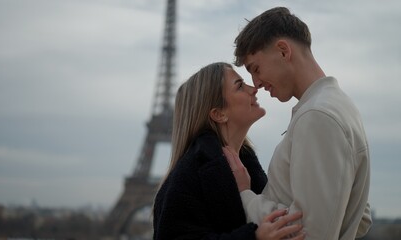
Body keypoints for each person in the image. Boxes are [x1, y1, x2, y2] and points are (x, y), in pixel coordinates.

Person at [224, 6, 372, 240]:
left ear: (283, 51)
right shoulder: (340, 106)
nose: (256, 83)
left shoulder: (317, 116)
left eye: (256, 68)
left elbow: (308, 233)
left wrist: (245, 195)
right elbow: (361, 217)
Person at [153, 62, 305, 240]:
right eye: (240, 86)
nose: (254, 88)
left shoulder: (243, 166)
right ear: (219, 114)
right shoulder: (188, 175)